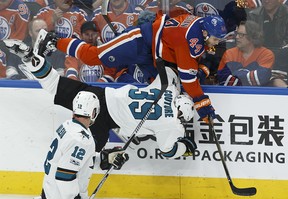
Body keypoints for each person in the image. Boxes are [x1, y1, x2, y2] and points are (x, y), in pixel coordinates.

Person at [4, 38, 198, 159]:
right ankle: (78, 184)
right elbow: (168, 151)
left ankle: (31, 59)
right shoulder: (172, 125)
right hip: (104, 119)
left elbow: (168, 69)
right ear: (181, 116)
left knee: (55, 84)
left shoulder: (168, 91)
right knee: (91, 156)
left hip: (100, 95)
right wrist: (184, 147)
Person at [39, 13, 227, 123]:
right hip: (138, 41)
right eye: (215, 39)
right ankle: (54, 40)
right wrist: (204, 105)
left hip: (153, 55)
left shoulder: (197, 22)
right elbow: (189, 78)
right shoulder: (191, 40)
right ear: (204, 33)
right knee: (94, 57)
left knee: (163, 91)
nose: (216, 44)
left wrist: (200, 69)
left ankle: (142, 126)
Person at [41, 90, 129, 199]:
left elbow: (73, 161)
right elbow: (64, 175)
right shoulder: (81, 140)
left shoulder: (67, 126)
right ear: (93, 112)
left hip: (49, 193)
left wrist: (105, 159)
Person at [217, 20, 274, 86]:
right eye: (237, 33)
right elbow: (223, 79)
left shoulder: (266, 54)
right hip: (233, 94)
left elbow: (261, 79)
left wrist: (236, 74)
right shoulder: (229, 53)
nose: (237, 37)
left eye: (241, 35)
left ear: (253, 37)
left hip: (258, 95)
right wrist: (249, 75)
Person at [247, 0, 288, 87]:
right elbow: (251, 43)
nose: (266, 1)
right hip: (263, 58)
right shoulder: (253, 16)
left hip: (283, 57)